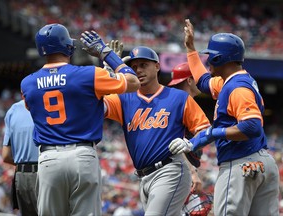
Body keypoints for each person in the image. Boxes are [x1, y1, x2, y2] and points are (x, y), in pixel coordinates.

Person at [20, 24, 140, 216]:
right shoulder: (89, 74)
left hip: (49, 158)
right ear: (68, 46)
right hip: (82, 156)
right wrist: (107, 54)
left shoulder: (27, 83)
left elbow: (36, 106)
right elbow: (133, 82)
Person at [179, 18, 280, 216]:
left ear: (219, 59)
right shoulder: (232, 81)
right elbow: (203, 82)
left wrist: (212, 133)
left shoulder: (237, 88)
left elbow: (251, 127)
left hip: (241, 163)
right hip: (261, 162)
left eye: (210, 55)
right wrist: (191, 48)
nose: (208, 60)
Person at [101, 45, 211, 215]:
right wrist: (107, 77)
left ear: (157, 66)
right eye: (134, 67)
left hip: (170, 170)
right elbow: (96, 107)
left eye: (144, 65)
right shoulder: (123, 99)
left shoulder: (179, 98)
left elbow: (205, 129)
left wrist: (190, 143)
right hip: (143, 177)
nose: (138, 70)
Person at [168, 62, 203, 195]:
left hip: (181, 169)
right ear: (189, 80)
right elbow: (172, 142)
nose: (201, 81)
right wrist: (192, 173)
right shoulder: (179, 105)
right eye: (197, 78)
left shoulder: (177, 102)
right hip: (178, 170)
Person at [2, 100, 38, 216]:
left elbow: (6, 156)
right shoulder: (44, 103)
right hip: (45, 172)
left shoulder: (13, 109)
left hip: (21, 176)